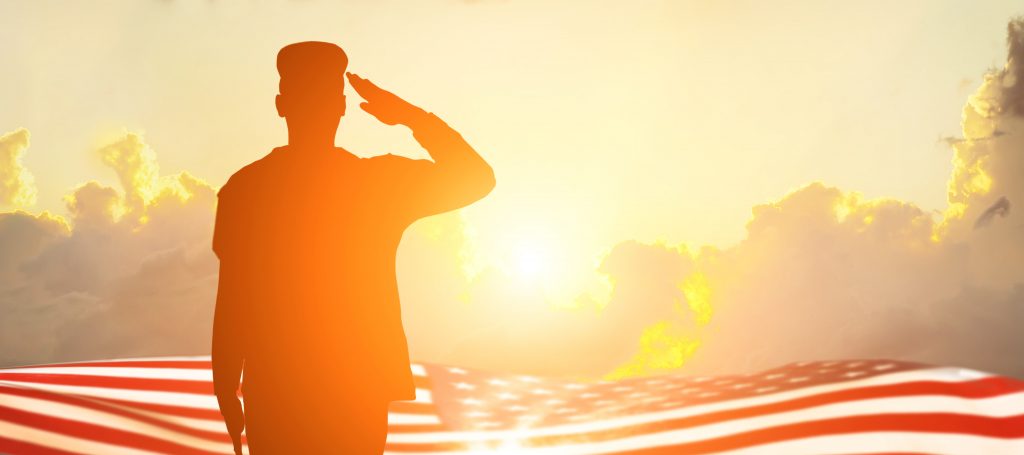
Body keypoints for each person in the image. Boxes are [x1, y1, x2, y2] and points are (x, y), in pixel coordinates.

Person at [210, 41, 496, 454]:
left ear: (280, 105)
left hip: (282, 386)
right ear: (341, 107)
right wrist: (409, 117)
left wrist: (225, 384)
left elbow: (233, 297)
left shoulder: (246, 189)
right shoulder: (374, 184)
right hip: (348, 384)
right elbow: (475, 177)